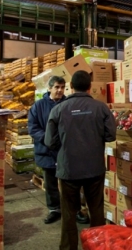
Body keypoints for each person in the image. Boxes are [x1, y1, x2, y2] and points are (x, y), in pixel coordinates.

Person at [45, 70, 116, 250]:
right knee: (96, 211)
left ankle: (69, 247)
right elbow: (111, 136)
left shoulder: (58, 109)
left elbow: (49, 142)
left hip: (68, 169)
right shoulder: (101, 108)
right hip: (94, 168)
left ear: (71, 87)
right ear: (90, 87)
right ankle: (97, 246)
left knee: (69, 213)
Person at [28, 76, 66, 225]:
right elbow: (33, 127)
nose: (60, 90)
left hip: (65, 152)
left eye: (62, 87)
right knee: (50, 183)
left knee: (69, 183)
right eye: (57, 87)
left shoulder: (68, 104)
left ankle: (73, 209)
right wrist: (48, 139)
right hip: (47, 151)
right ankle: (54, 209)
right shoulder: (38, 106)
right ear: (49, 88)